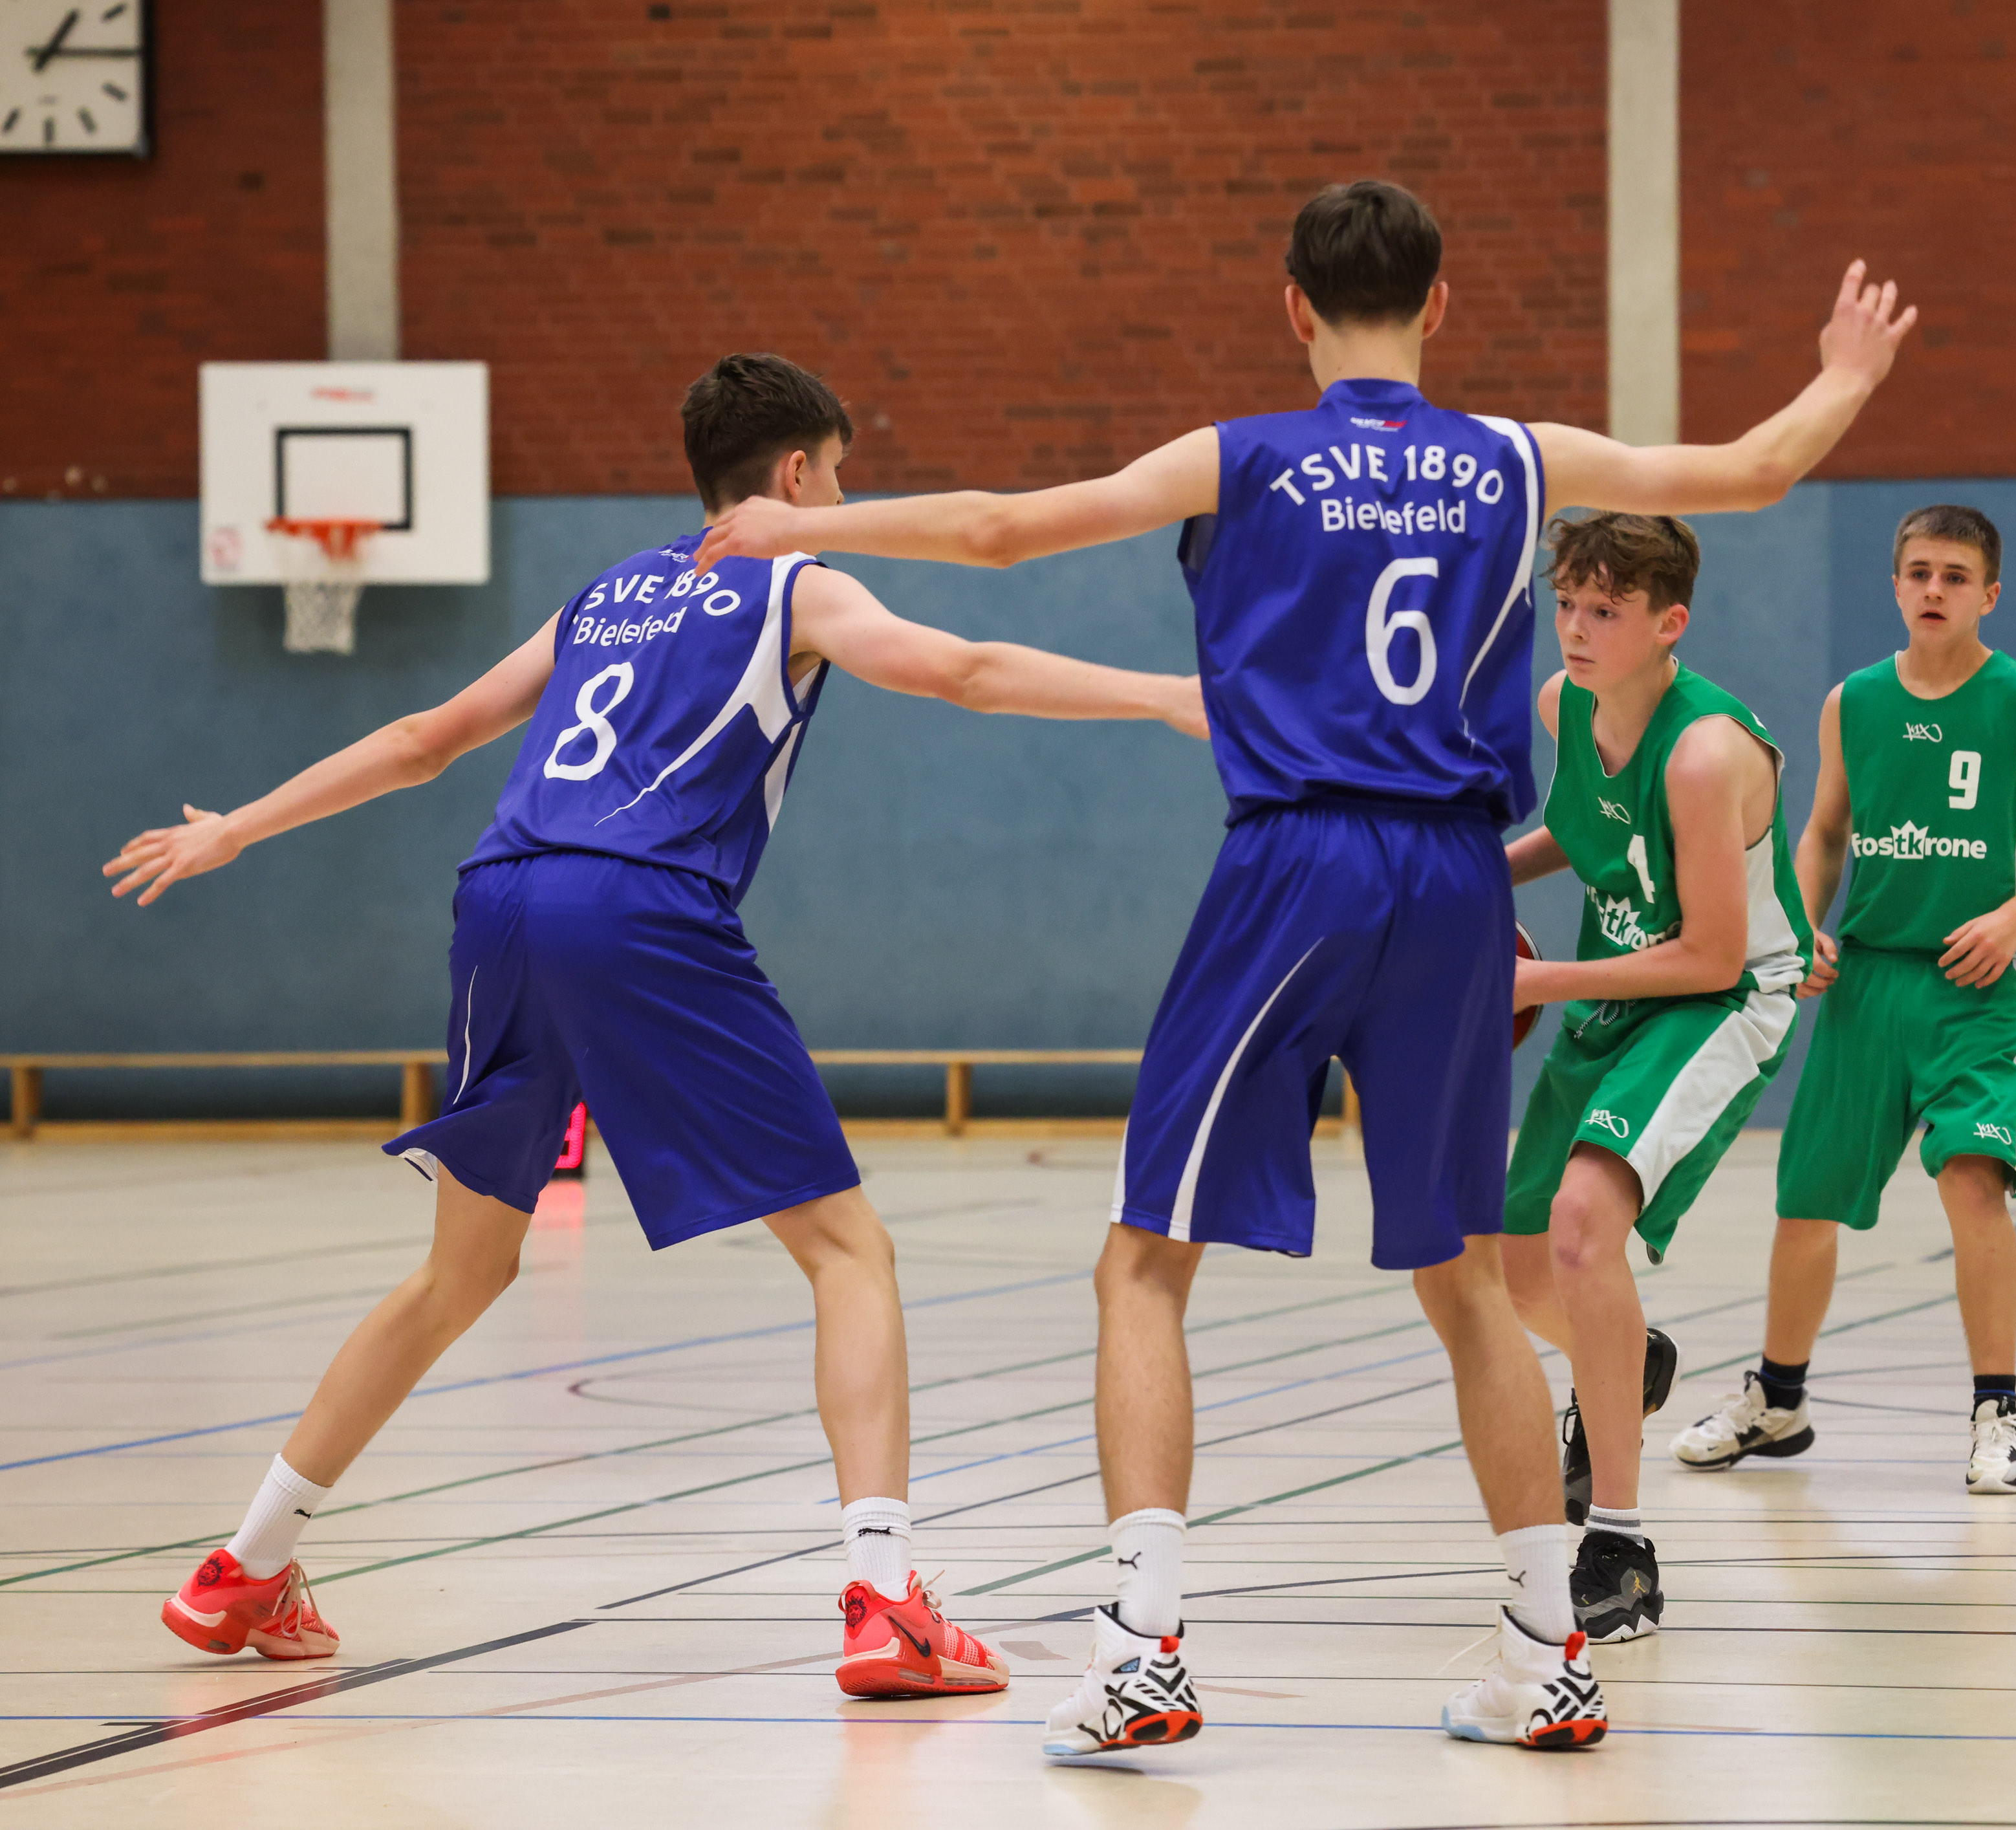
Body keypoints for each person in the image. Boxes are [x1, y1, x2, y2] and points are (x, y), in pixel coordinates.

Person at [695, 179, 1916, 1756]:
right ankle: (1546, 1654)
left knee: (1146, 1260)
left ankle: (1144, 1647)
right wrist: (1846, 373)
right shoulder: (1515, 456)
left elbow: (1000, 528)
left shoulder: (1244, 454)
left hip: (1300, 861)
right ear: (1441, 304)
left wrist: (807, 526)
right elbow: (1753, 469)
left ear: (1293, 308)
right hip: (1457, 876)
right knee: (1463, 1274)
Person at [105, 353, 1205, 1703]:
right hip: (637, 905)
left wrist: (239, 826)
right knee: (848, 1249)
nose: (840, 495)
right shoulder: (800, 581)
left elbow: (424, 737)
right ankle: (884, 1601)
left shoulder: (605, 594)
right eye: (838, 473)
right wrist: (1163, 693)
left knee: (459, 1272)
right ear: (794, 473)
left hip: (500, 901)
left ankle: (245, 1563)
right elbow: (965, 670)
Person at [1671, 506, 2016, 1497]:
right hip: (1866, 980)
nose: (1933, 589)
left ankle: (1995, 1412)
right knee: (1807, 1198)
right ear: (1896, 583)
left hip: (1973, 985)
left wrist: (2013, 915)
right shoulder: (1853, 701)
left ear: (1989, 593)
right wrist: (1797, 925)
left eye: (1954, 575)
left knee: (1973, 1179)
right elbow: (1824, 831)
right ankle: (1778, 1399)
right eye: (1917, 571)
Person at [1498, 511, 1812, 1643]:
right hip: (1621, 985)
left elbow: (1713, 955)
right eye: (1566, 604)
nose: (1575, 629)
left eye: (1606, 610)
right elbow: (1586, 832)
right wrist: (1474, 874)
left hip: (1722, 993)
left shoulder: (1705, 753)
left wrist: (1538, 982)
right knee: (1513, 1265)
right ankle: (1626, 1359)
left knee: (1585, 1224)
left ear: (1668, 622)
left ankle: (1621, 1547)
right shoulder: (1566, 704)